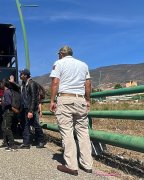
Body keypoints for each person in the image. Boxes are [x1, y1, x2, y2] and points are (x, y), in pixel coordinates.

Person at [49, 45, 93, 176]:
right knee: (83, 132)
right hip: (80, 100)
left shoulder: (59, 63)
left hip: (65, 99)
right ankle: (87, 165)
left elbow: (55, 82)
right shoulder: (83, 65)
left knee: (67, 132)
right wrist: (88, 100)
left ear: (61, 54)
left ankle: (72, 166)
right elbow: (88, 84)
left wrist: (52, 100)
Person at [18, 68, 46, 149]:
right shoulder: (23, 84)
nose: (20, 75)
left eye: (21, 74)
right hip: (24, 108)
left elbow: (34, 98)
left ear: (25, 75)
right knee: (25, 125)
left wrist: (31, 110)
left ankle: (41, 141)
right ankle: (26, 143)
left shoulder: (32, 84)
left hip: (30, 108)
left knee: (36, 124)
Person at [0, 79, 18, 151]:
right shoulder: (8, 91)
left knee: (7, 128)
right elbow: (6, 101)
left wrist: (0, 103)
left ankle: (12, 144)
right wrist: (0, 99)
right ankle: (5, 142)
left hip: (8, 112)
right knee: (3, 127)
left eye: (1, 83)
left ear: (3, 84)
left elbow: (8, 102)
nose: (0, 85)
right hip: (7, 112)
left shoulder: (6, 92)